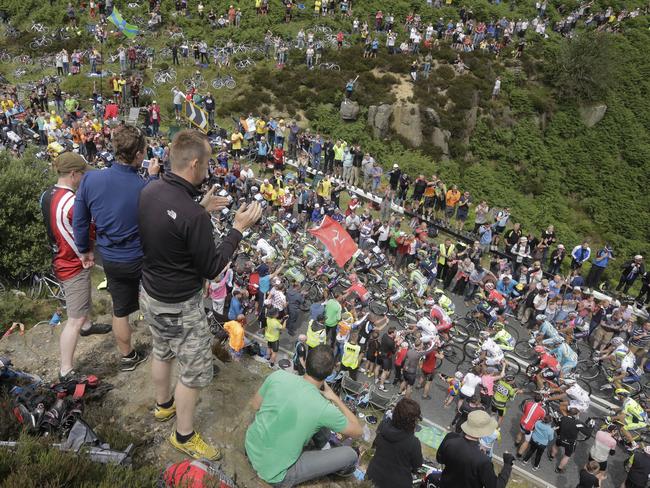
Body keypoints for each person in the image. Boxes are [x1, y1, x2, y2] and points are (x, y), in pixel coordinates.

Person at [138, 129, 262, 460]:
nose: (209, 170)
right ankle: (184, 435)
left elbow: (170, 228)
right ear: (194, 163)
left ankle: (163, 406)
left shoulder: (150, 190)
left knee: (162, 350)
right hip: (179, 304)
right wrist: (237, 229)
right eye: (207, 163)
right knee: (193, 373)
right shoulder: (192, 215)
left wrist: (200, 209)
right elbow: (212, 267)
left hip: (150, 292)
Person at [73, 125, 158, 372]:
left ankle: (127, 356)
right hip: (142, 257)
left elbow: (80, 220)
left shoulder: (91, 179)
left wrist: (85, 249)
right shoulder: (144, 185)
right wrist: (152, 177)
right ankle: (166, 349)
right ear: (140, 155)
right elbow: (153, 207)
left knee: (120, 308)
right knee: (157, 301)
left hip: (111, 256)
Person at [245, 345, 362, 486]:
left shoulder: (278, 376)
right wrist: (335, 398)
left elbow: (255, 405)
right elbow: (358, 432)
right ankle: (326, 451)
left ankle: (322, 445)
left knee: (315, 421)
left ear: (305, 362)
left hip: (250, 447)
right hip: (275, 474)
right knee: (350, 454)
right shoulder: (324, 407)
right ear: (329, 372)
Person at [40, 153, 112, 381]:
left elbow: (55, 230)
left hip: (58, 258)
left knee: (81, 300)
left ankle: (87, 324)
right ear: (73, 174)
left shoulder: (47, 195)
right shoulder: (71, 202)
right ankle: (66, 369)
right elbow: (73, 232)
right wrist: (85, 255)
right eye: (82, 173)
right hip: (71, 262)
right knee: (74, 319)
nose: (84, 177)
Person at [437, 410, 514, 488]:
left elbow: (439, 459)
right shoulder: (483, 460)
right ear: (483, 431)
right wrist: (507, 464)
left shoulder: (450, 438)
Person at [366, 398, 424, 488]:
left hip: (373, 476)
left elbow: (375, 445)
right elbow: (417, 464)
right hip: (397, 483)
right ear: (412, 422)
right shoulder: (413, 442)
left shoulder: (383, 425)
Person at [549, 408, 591, 473]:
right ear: (575, 415)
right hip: (570, 442)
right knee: (566, 456)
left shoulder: (563, 418)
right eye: (578, 414)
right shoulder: (578, 423)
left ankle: (551, 456)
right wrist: (591, 426)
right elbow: (587, 433)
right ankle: (558, 469)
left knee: (556, 446)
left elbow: (558, 424)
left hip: (561, 438)